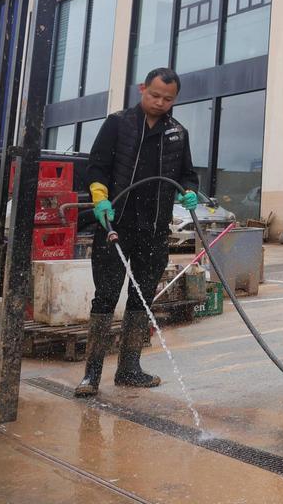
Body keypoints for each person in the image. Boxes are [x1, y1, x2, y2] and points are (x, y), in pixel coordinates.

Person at [75, 68, 201, 398]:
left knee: (142, 296)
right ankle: (91, 375)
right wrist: (100, 197)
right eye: (155, 95)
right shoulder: (118, 124)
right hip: (115, 224)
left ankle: (129, 369)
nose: (160, 102)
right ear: (143, 88)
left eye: (168, 99)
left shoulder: (177, 133)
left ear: (175, 99)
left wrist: (189, 191)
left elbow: (188, 174)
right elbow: (96, 166)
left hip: (154, 229)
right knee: (106, 294)